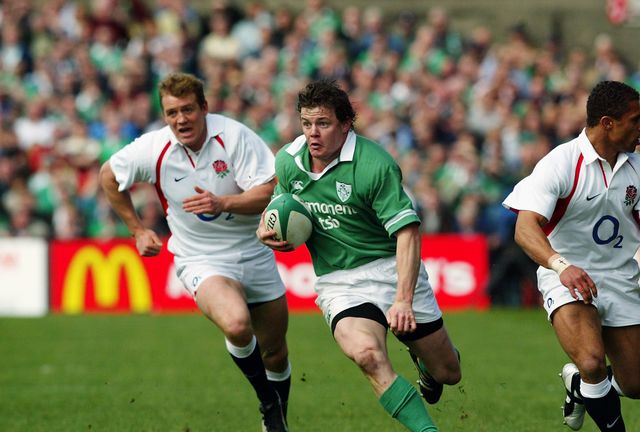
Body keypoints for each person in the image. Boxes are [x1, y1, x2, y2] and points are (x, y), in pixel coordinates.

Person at [258, 79, 461, 432]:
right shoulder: (289, 162)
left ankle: (426, 365)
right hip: (339, 282)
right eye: (306, 124)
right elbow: (280, 202)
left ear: (346, 123)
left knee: (449, 372)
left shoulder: (374, 165)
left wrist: (403, 300)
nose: (313, 134)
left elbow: (408, 232)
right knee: (367, 355)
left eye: (323, 123)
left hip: (391, 270)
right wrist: (268, 227)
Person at [100, 72, 291, 432]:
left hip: (255, 251)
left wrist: (224, 202)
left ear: (204, 108)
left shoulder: (234, 137)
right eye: (172, 113)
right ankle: (269, 404)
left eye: (188, 110)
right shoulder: (153, 148)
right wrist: (138, 229)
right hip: (201, 258)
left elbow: (270, 191)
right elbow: (108, 176)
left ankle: (276, 422)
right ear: (164, 115)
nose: (180, 120)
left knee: (276, 352)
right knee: (236, 324)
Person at [502, 81, 640, 432]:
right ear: (607, 123)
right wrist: (560, 266)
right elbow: (525, 229)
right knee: (592, 361)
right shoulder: (562, 163)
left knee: (637, 386)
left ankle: (579, 389)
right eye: (635, 119)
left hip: (618, 277)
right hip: (565, 273)